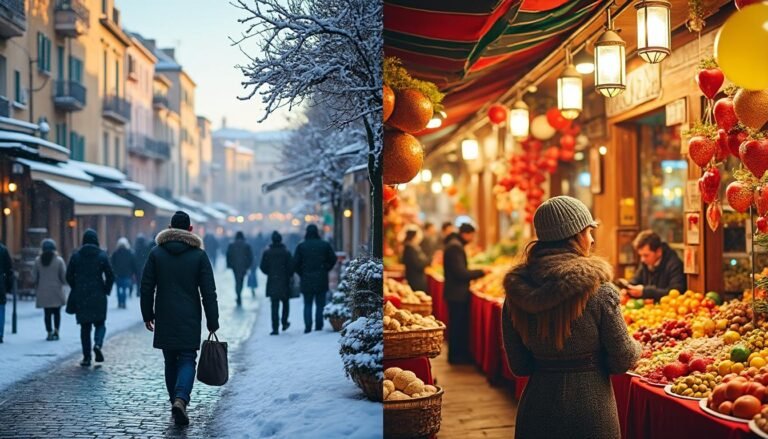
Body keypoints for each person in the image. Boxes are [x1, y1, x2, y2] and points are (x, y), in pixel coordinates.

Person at [502, 196, 642, 438]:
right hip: (591, 410)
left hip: (537, 409)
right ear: (574, 236)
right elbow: (623, 358)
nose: (592, 239)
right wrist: (637, 348)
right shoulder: (600, 292)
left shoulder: (517, 293)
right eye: (588, 231)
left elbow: (519, 366)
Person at [140, 211, 219, 427]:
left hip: (165, 314)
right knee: (187, 358)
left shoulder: (156, 253)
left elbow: (146, 286)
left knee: (170, 360)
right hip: (189, 316)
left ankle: (174, 401)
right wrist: (213, 321)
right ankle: (181, 399)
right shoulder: (199, 255)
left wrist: (147, 314)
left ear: (169, 228)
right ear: (190, 230)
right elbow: (208, 292)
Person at [66, 229, 115, 367]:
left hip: (82, 295)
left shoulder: (76, 256)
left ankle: (86, 357)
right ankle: (98, 344)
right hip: (98, 294)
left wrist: (76, 286)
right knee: (100, 323)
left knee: (85, 327)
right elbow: (110, 275)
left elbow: (68, 276)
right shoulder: (102, 256)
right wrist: (106, 289)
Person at [443, 223, 489, 364]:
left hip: (455, 292)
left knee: (457, 325)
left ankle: (457, 355)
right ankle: (457, 357)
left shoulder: (454, 244)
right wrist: (481, 272)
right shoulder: (455, 247)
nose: (473, 238)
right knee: (458, 326)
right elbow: (460, 273)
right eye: (472, 235)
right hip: (457, 294)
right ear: (466, 234)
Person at [293, 224, 337, 333]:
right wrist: (326, 268)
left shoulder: (301, 246)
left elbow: (295, 263)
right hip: (321, 278)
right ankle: (318, 325)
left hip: (306, 279)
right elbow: (333, 259)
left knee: (307, 304)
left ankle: (308, 327)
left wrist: (302, 273)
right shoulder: (324, 245)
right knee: (320, 304)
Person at [620, 230, 686, 301]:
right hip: (648, 306)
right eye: (640, 255)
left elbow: (676, 293)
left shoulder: (675, 265)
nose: (642, 259)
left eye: (646, 255)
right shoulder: (645, 262)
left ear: (658, 252)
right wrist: (628, 288)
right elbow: (636, 280)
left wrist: (645, 292)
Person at [260, 231, 293, 335]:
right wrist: (287, 274)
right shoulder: (286, 252)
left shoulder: (267, 252)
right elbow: (291, 267)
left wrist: (270, 273)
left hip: (272, 281)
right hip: (284, 282)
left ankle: (275, 328)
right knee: (285, 303)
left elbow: (263, 267)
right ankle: (284, 322)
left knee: (274, 306)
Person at [34, 239, 67, 341]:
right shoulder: (59, 260)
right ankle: (56, 331)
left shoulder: (38, 261)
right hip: (56, 291)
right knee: (57, 313)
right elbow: (64, 277)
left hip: (43, 291)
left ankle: (49, 332)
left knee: (47, 313)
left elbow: (34, 277)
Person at [226, 231, 254, 307]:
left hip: (235, 267)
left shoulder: (232, 245)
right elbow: (250, 257)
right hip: (243, 267)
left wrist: (230, 265)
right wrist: (248, 266)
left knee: (237, 281)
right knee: (241, 281)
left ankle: (238, 295)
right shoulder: (246, 245)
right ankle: (239, 294)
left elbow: (228, 255)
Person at [111, 237, 137, 309]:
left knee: (118, 288)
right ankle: (124, 303)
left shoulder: (115, 253)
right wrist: (133, 272)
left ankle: (120, 302)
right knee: (124, 289)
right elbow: (133, 263)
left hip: (118, 274)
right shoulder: (130, 253)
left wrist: (114, 271)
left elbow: (112, 263)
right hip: (127, 274)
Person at [0, 241, 12, 344]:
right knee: (1, 309)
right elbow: (9, 270)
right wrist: (8, 287)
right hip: (0, 284)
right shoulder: (3, 250)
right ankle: (0, 334)